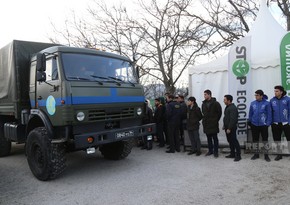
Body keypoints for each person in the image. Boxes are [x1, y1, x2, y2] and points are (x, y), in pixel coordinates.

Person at [248, 90, 272, 162]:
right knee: (255, 140)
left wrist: (267, 123)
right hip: (254, 124)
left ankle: (266, 155)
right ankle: (256, 154)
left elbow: (269, 114)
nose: (256, 96)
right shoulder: (252, 103)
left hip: (263, 125)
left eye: (257, 95)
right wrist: (251, 121)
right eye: (255, 95)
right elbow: (250, 113)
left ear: (261, 96)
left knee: (265, 140)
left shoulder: (267, 103)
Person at [270, 85, 290, 161]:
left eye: (277, 91)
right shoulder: (272, 100)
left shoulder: (288, 99)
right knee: (277, 139)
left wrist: (289, 121)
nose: (275, 92)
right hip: (275, 123)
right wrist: (271, 122)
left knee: (289, 139)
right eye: (275, 91)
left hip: (286, 123)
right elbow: (270, 112)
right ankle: (279, 154)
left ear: (281, 92)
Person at [201, 90, 222, 158]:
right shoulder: (203, 104)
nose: (204, 96)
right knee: (208, 138)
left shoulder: (216, 103)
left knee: (215, 138)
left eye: (205, 94)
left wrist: (215, 120)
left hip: (213, 124)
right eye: (204, 95)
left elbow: (219, 113)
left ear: (209, 95)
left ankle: (216, 152)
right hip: (206, 124)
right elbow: (203, 113)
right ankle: (210, 151)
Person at [223, 95, 241, 162]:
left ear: (229, 100)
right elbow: (226, 118)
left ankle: (238, 155)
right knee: (230, 141)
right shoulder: (228, 107)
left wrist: (229, 128)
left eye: (225, 100)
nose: (224, 101)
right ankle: (232, 153)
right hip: (227, 127)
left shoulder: (233, 108)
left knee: (234, 141)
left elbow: (233, 119)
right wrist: (225, 126)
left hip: (231, 128)